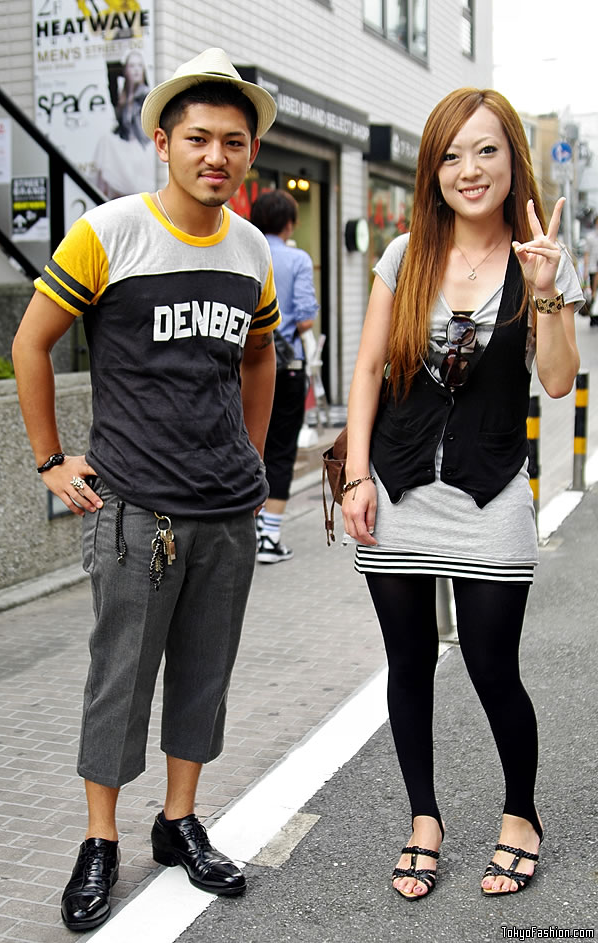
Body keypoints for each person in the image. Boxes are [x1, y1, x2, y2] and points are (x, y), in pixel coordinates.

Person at [12, 47, 279, 932]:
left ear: (248, 154)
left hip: (226, 509)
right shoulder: (108, 232)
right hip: (133, 510)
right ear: (162, 142)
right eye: (199, 138)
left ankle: (178, 821)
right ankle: (100, 838)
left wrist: (254, 452)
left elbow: (260, 352)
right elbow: (31, 343)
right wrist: (51, 459)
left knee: (204, 677)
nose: (217, 155)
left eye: (233, 142)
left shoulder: (252, 250)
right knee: (117, 682)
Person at [342, 87, 583, 901]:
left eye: (485, 150)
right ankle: (424, 820)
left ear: (513, 158)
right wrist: (353, 478)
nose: (468, 169)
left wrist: (545, 287)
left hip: (491, 496)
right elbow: (368, 367)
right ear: (431, 169)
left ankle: (521, 815)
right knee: (407, 663)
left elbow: (555, 382)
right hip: (399, 493)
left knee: (491, 666)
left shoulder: (543, 255)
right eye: (450, 154)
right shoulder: (405, 254)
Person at [250, 190, 319, 563]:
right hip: (285, 367)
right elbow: (305, 317)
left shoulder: (241, 248)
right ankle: (269, 538)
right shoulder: (296, 259)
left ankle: (243, 530)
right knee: (280, 448)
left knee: (246, 443)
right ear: (290, 223)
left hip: (240, 366)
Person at [93, 49, 154, 198]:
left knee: (106, 145)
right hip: (126, 146)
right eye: (132, 66)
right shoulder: (124, 95)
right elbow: (111, 77)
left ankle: (99, 196)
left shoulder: (144, 95)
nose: (136, 70)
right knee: (105, 142)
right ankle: (98, 195)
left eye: (139, 66)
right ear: (125, 70)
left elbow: (139, 129)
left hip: (140, 148)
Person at [583, 214, 598, 326]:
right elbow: (586, 255)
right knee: (593, 293)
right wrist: (585, 270)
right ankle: (593, 315)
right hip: (593, 268)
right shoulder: (590, 237)